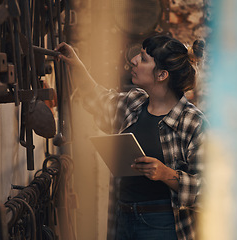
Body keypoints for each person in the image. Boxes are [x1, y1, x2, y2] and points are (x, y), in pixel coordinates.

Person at [56, 35, 207, 240]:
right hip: (123, 216)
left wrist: (166, 174)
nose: (134, 60)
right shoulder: (133, 103)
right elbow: (97, 99)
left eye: (144, 58)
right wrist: (77, 65)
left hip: (162, 224)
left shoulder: (193, 122)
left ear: (162, 74)